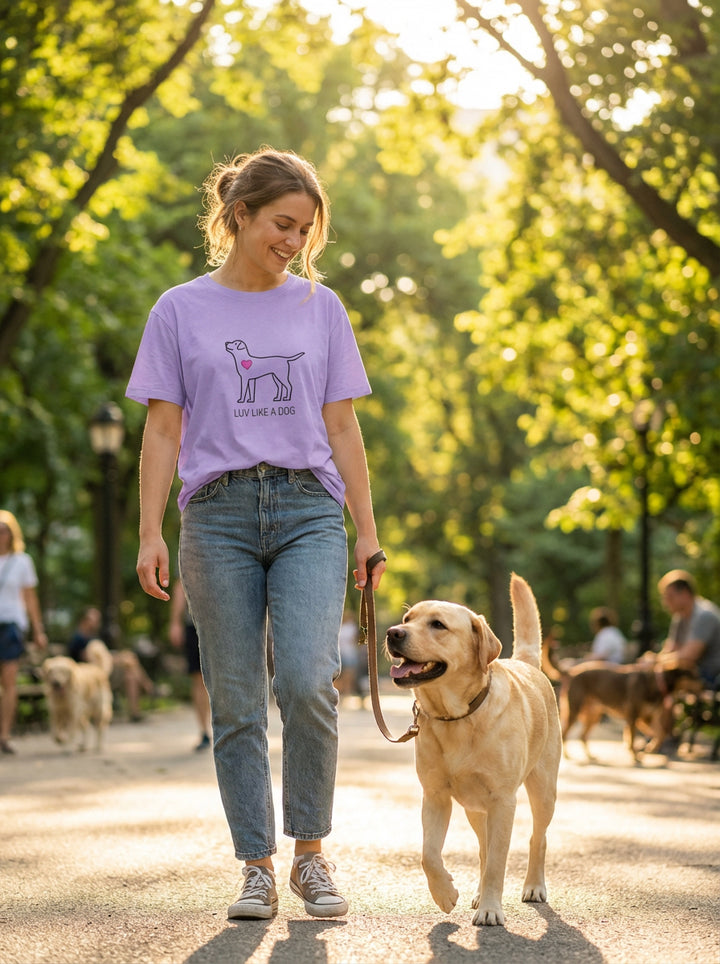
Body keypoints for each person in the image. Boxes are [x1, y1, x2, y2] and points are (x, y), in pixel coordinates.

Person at [126, 148, 386, 922]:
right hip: (218, 515)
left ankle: (310, 853)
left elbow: (342, 425)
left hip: (309, 508)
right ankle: (256, 865)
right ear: (239, 215)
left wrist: (367, 533)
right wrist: (150, 531)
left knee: (308, 679)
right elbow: (163, 429)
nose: (294, 242)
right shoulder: (179, 309)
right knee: (235, 699)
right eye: (282, 224)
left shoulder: (322, 308)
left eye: (305, 229)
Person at [0, 510, 48, 754]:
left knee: (9, 682)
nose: (1, 534)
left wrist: (38, 630)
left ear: (12, 533)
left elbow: (30, 598)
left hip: (11, 625)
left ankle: (5, 735)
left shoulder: (22, 561)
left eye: (4, 529)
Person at [69, 606, 152, 722]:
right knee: (129, 658)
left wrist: (111, 658)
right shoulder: (78, 639)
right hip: (89, 675)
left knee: (131, 676)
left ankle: (135, 712)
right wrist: (115, 659)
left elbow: (102, 656)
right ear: (85, 620)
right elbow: (89, 659)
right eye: (94, 620)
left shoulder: (94, 636)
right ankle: (149, 687)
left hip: (103, 671)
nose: (97, 623)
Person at [657, 570, 720, 686]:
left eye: (670, 597)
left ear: (685, 594)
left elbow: (687, 658)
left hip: (711, 676)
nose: (666, 603)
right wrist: (655, 660)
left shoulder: (705, 615)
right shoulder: (679, 616)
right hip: (694, 674)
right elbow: (671, 649)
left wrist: (655, 662)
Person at [169, 581, 211, 751]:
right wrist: (175, 622)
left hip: (225, 619)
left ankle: (220, 728)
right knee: (198, 677)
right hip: (195, 622)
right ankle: (204, 730)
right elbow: (180, 585)